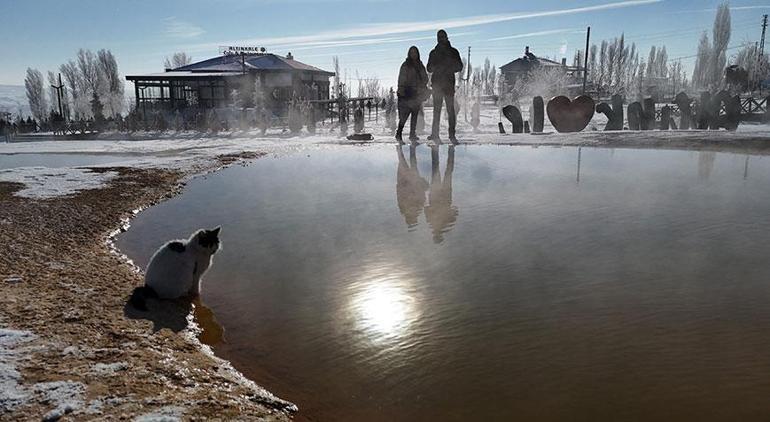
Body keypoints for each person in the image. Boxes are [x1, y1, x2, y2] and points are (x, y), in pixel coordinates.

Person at [427, 29, 463, 144]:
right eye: (439, 37)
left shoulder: (453, 51)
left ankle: (452, 134)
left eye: (443, 36)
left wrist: (448, 68)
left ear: (447, 37)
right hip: (437, 85)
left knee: (450, 110)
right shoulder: (433, 52)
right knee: (436, 111)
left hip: (448, 85)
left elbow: (459, 66)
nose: (441, 38)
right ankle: (435, 134)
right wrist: (437, 66)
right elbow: (429, 68)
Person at [396, 46, 429, 144]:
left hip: (417, 94)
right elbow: (401, 79)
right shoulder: (406, 65)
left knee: (415, 115)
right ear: (409, 54)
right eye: (412, 52)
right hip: (407, 93)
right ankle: (399, 133)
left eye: (415, 52)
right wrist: (401, 90)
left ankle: (412, 134)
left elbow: (426, 78)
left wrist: (421, 86)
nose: (413, 54)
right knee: (404, 115)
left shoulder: (420, 65)